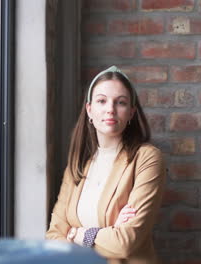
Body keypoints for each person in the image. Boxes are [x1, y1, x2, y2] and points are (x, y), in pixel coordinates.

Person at [46, 66, 166, 264]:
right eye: (102, 101)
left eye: (121, 102)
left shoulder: (147, 159)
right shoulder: (77, 165)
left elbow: (125, 243)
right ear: (89, 110)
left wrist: (77, 234)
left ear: (131, 113)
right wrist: (107, 233)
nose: (110, 108)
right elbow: (53, 237)